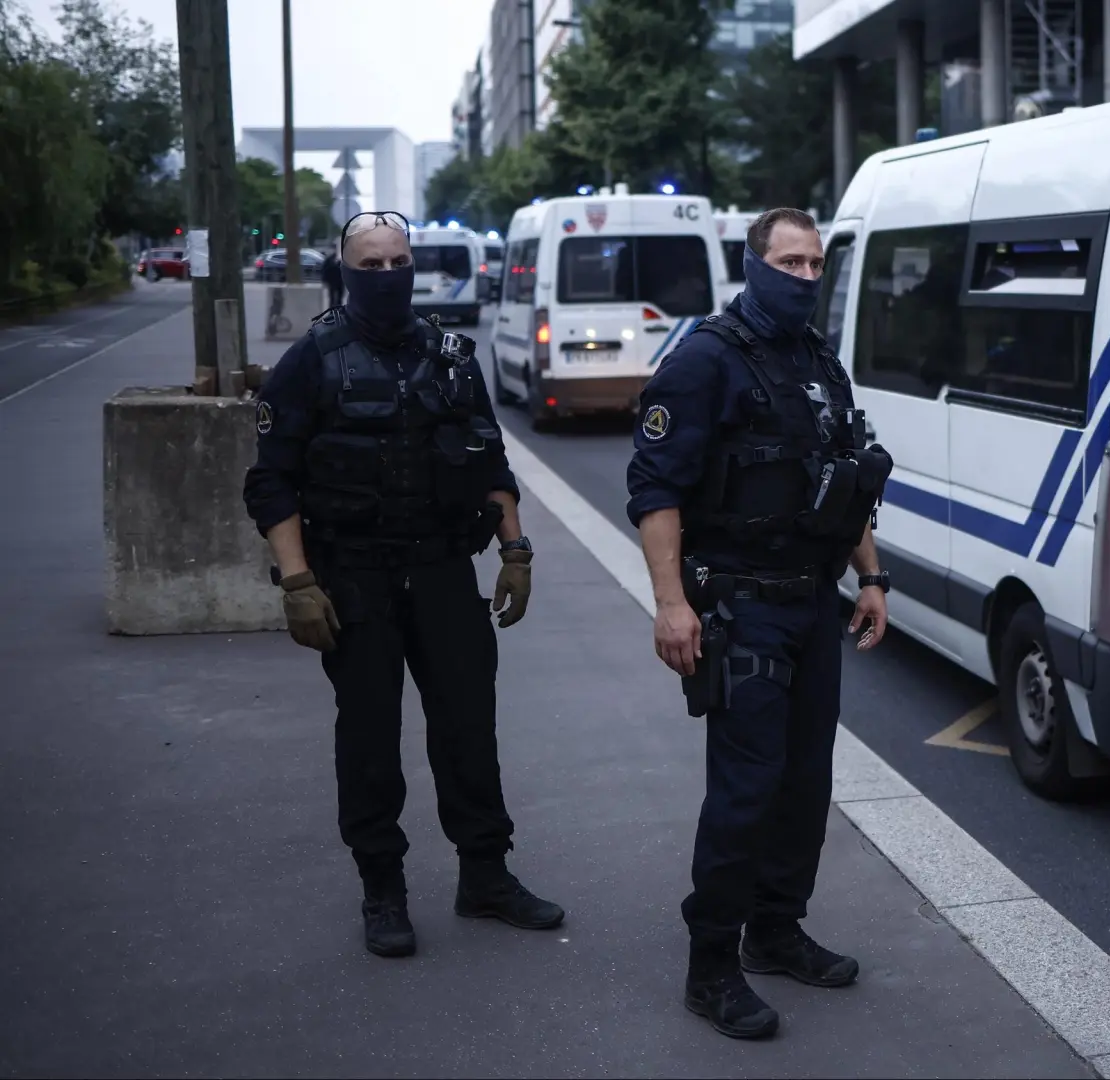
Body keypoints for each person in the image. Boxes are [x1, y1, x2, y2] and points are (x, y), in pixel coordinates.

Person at [242, 209, 563, 959]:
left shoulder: (452, 356)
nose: (387, 276)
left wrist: (515, 551)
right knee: (369, 739)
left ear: (412, 265)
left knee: (468, 731)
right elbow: (272, 483)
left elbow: (490, 462)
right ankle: (382, 888)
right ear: (347, 269)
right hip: (355, 580)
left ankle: (486, 875)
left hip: (445, 572)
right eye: (372, 264)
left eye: (397, 263)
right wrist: (297, 581)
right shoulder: (311, 361)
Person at [626, 208, 894, 1039]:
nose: (805, 277)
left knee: (805, 785)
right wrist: (672, 604)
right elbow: (655, 491)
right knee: (745, 793)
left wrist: (872, 576)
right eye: (790, 263)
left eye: (816, 265)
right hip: (740, 609)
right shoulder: (706, 358)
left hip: (813, 602)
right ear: (754, 264)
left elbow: (842, 481)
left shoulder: (819, 361)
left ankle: (775, 932)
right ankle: (711, 967)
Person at [321, 246, 344, 311]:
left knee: (340, 297)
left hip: (340, 281)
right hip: (332, 281)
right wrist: (325, 280)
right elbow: (325, 270)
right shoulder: (329, 259)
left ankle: (339, 310)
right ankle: (332, 311)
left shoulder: (341, 259)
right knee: (332, 297)